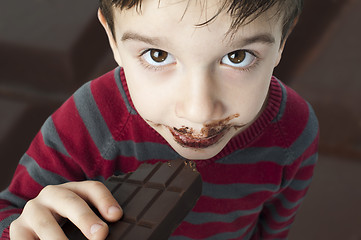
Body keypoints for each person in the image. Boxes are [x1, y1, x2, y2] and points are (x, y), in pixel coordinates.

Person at [0, 0, 319, 239]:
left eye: (237, 57)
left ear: (283, 41)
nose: (199, 112)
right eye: (157, 55)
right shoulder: (89, 121)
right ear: (113, 39)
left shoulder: (294, 131)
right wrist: (23, 230)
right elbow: (10, 212)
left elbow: (273, 230)